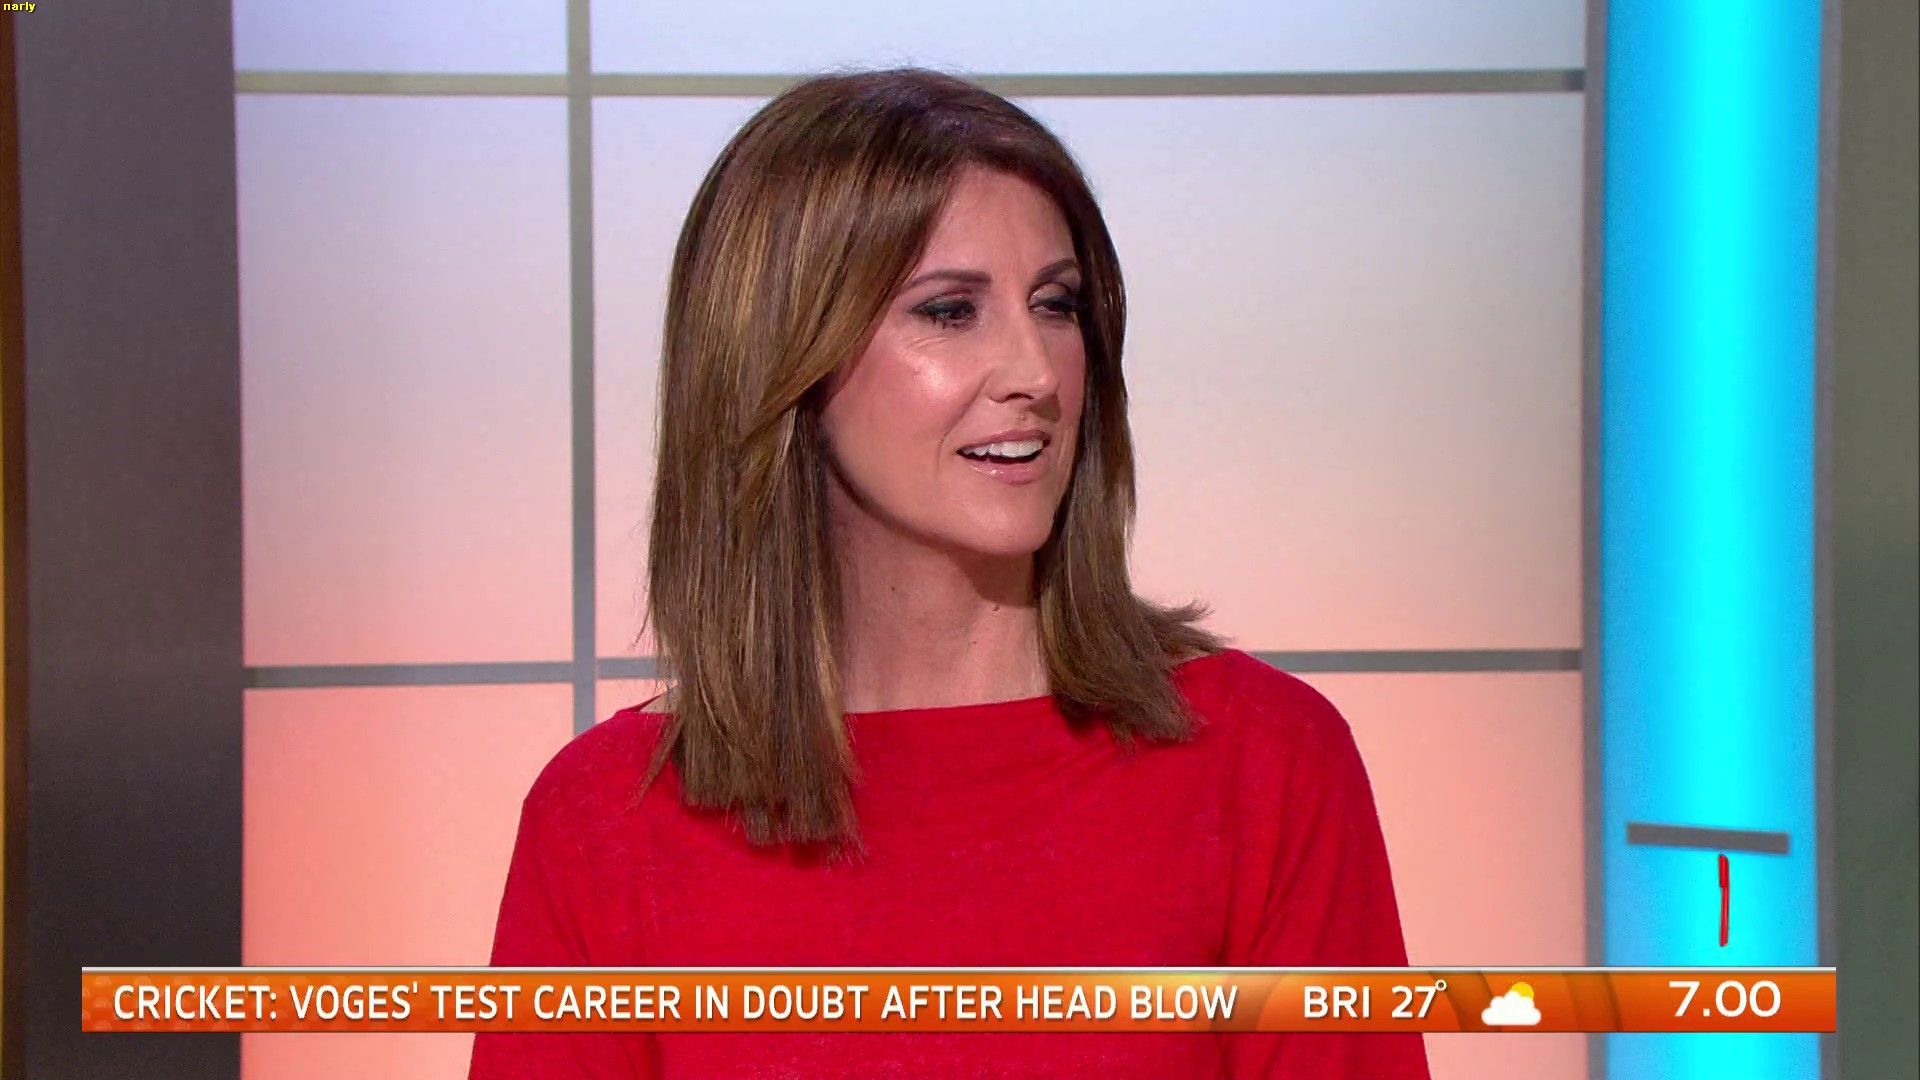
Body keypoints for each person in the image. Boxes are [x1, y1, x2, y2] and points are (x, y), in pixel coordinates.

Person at [469, 67, 1429, 1079]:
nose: (1037, 372)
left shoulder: (1264, 764)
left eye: (1056, 304)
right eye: (949, 311)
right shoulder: (605, 820)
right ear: (784, 361)